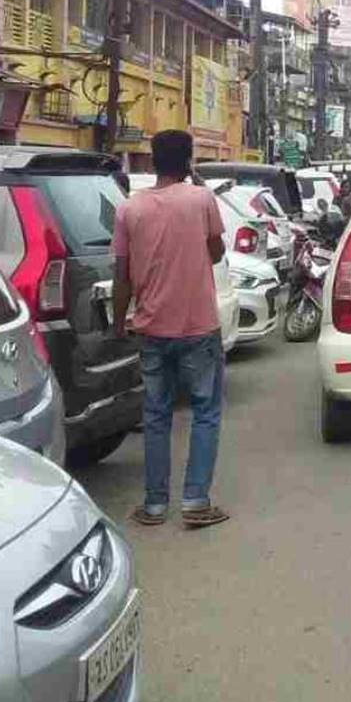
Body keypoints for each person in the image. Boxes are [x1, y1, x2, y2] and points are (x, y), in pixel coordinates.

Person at [112, 129, 230, 529]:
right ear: (189, 161)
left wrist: (117, 322)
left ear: (151, 160)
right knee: (205, 413)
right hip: (198, 326)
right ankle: (196, 501)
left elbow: (121, 275)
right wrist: (195, 182)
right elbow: (216, 253)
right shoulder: (201, 199)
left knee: (157, 415)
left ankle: (155, 505)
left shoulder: (130, 208)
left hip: (150, 326)